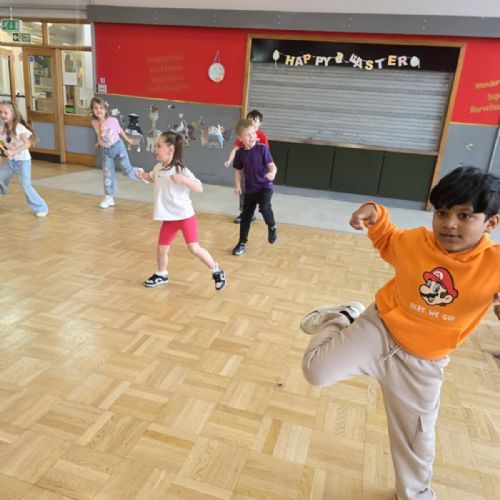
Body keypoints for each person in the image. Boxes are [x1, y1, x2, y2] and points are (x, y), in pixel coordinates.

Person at [301, 166, 500, 500]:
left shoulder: (494, 264)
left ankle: (416, 494)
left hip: (422, 363)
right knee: (315, 371)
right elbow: (387, 237)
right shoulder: (417, 242)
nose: (449, 223)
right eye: (442, 212)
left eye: (464, 215)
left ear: (490, 223)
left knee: (416, 439)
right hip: (380, 328)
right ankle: (342, 316)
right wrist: (373, 212)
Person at [138, 131, 226, 291]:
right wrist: (141, 175)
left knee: (194, 248)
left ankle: (216, 270)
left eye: (158, 146)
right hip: (169, 219)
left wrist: (183, 179)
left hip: (185, 217)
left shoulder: (181, 170)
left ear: (170, 150)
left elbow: (199, 187)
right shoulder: (158, 168)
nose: (155, 149)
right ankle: (162, 274)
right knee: (161, 248)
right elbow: (151, 177)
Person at [231, 118, 278, 256]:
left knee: (264, 207)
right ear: (240, 138)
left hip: (265, 185)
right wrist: (237, 185)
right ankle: (241, 243)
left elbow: (272, 166)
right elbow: (238, 171)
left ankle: (272, 226)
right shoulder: (240, 153)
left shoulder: (262, 149)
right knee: (246, 216)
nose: (252, 137)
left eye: (253, 133)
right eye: (248, 135)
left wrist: (272, 174)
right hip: (250, 189)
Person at [90, 97, 143, 209]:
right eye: (96, 108)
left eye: (101, 108)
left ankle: (138, 172)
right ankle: (109, 197)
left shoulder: (112, 120)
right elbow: (100, 134)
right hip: (106, 151)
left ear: (105, 109)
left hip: (118, 147)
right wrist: (99, 143)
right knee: (107, 174)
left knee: (126, 169)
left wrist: (127, 139)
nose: (98, 110)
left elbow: (120, 131)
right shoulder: (94, 122)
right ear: (92, 110)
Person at [0, 100, 48, 217]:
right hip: (10, 162)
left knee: (26, 185)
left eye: (5, 112)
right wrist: (6, 151)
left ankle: (41, 208)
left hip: (23, 162)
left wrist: (13, 152)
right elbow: (5, 143)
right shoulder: (2, 129)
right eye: (0, 112)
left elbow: (27, 144)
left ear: (13, 114)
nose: (2, 115)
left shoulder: (19, 128)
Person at [224, 110, 269, 223]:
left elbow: (266, 155)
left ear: (260, 123)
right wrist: (229, 160)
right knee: (244, 191)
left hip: (258, 171)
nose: (252, 122)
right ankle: (245, 212)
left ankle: (263, 212)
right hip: (246, 168)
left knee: (261, 194)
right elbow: (235, 149)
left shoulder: (262, 137)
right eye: (249, 119)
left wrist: (268, 170)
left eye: (255, 120)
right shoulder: (243, 136)